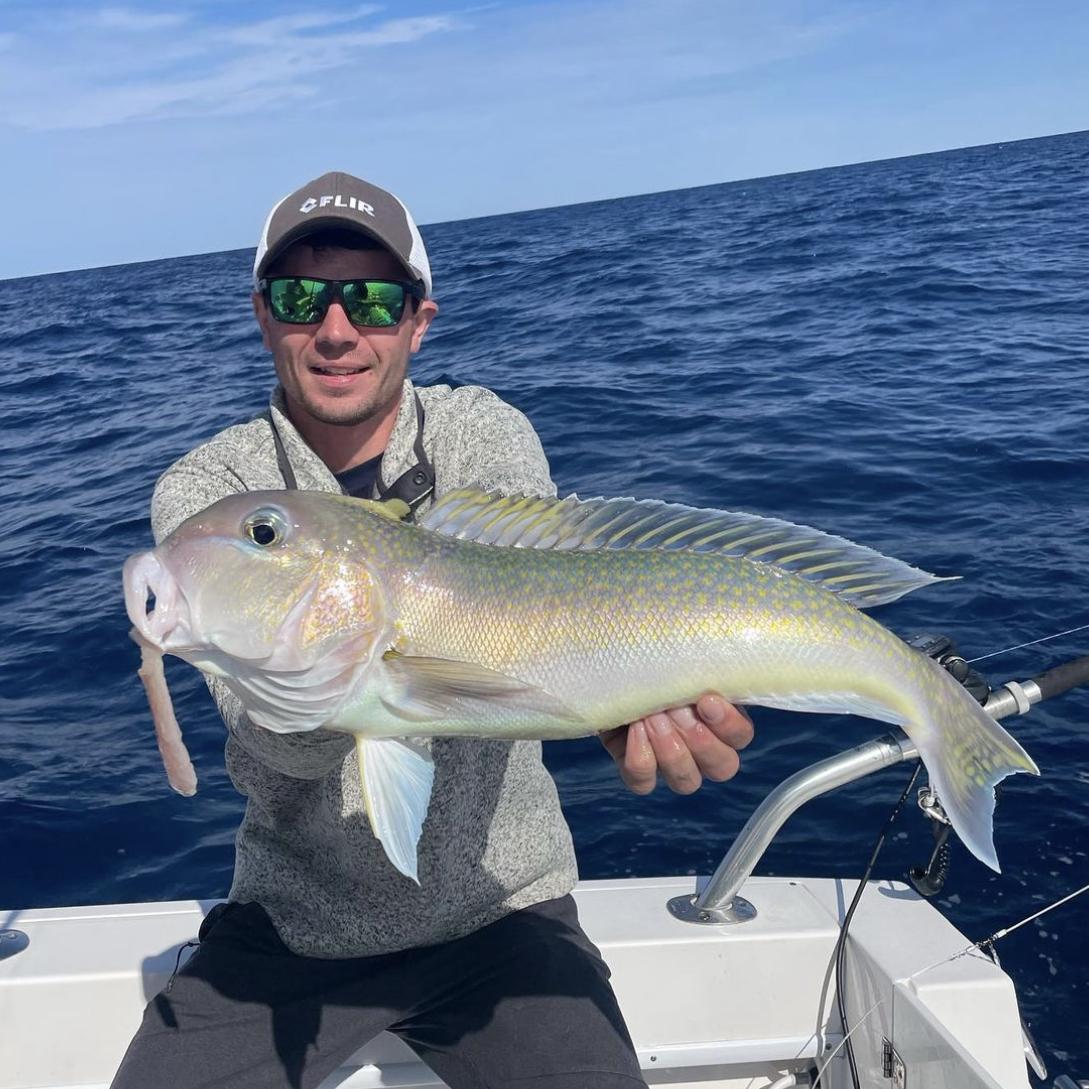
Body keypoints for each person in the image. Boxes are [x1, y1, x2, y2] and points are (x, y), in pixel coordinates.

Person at [111, 171, 754, 1089]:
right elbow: (266, 748)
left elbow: (536, 620)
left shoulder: (481, 433)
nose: (338, 329)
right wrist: (322, 676)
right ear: (262, 315)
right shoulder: (212, 493)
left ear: (419, 320)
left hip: (505, 909)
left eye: (374, 300)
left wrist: (618, 705)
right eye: (301, 297)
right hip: (295, 924)